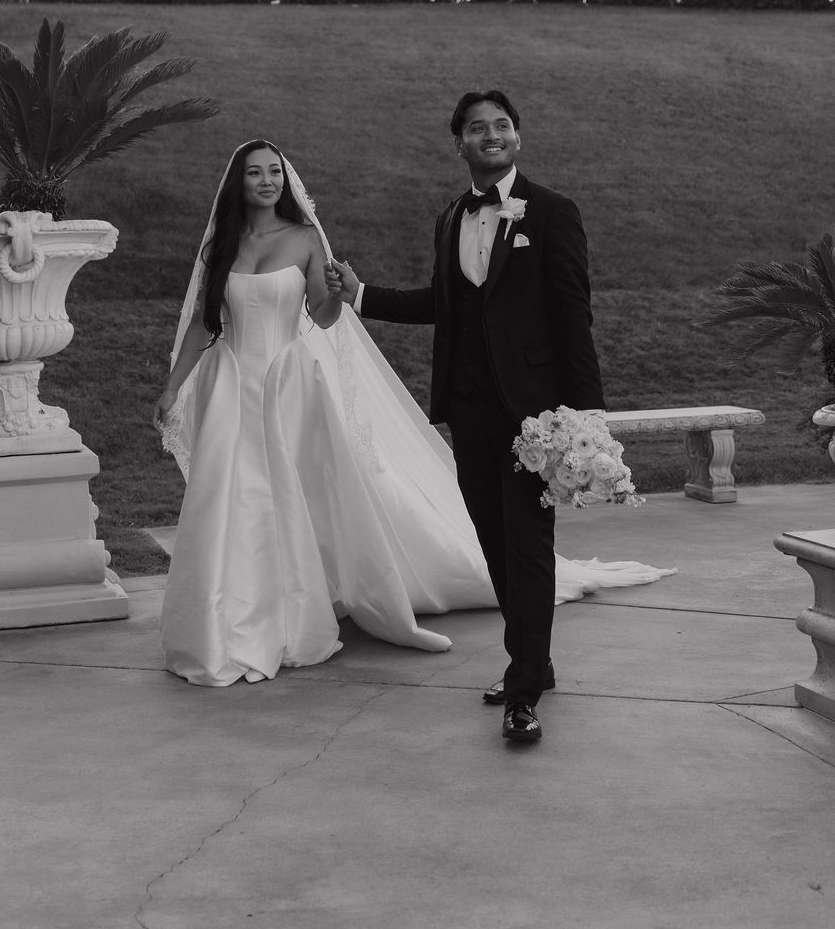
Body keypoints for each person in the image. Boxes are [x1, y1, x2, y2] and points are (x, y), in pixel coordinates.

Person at [155, 137, 672, 692]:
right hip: (231, 387)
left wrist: (339, 293)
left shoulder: (305, 238)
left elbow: (323, 318)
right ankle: (218, 622)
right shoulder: (222, 248)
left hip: (285, 386)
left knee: (281, 500)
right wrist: (172, 387)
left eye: (274, 172)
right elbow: (204, 324)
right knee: (227, 504)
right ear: (238, 182)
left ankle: (283, 619)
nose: (267, 181)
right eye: (255, 173)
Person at [328, 90, 657, 745]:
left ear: (517, 137)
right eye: (478, 128)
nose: (492, 135)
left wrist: (584, 413)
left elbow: (572, 314)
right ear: (460, 143)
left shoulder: (554, 213)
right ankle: (534, 659)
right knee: (493, 542)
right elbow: (446, 303)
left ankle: (524, 688)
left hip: (534, 416)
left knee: (528, 544)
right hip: (470, 409)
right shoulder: (452, 218)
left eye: (502, 125)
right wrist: (361, 295)